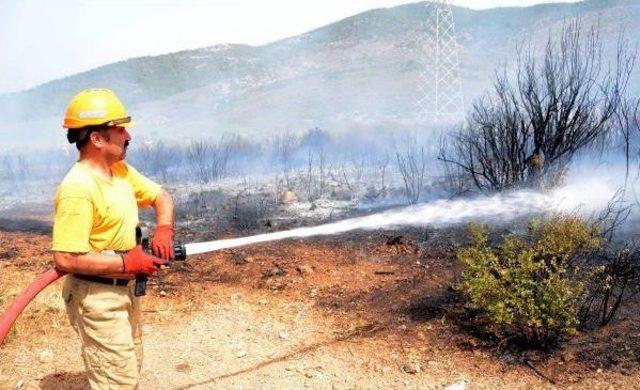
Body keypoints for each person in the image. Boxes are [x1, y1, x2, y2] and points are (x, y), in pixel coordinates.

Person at [52, 88, 175, 389]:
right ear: (96, 138)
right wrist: (125, 260)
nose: (127, 136)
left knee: (129, 368)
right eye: (119, 129)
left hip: (127, 289)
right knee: (116, 380)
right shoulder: (78, 187)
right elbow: (65, 258)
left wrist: (164, 229)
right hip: (97, 296)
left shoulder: (119, 171)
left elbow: (162, 198)